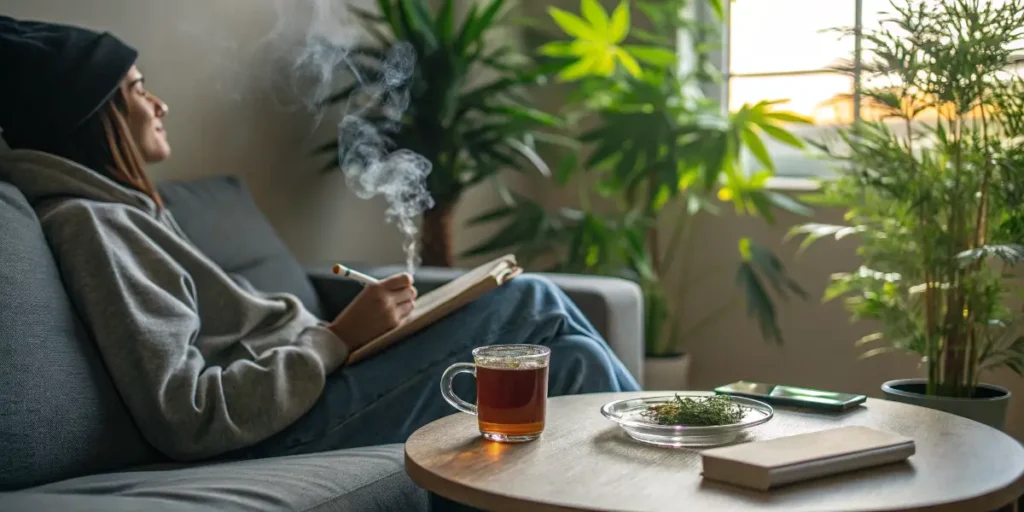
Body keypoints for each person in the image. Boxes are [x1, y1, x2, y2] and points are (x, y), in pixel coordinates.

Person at [0, 16, 640, 462]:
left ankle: (673, 474)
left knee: (571, 359)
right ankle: (686, 445)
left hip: (306, 395)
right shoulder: (94, 226)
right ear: (93, 119)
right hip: (278, 431)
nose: (159, 103)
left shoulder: (127, 212)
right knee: (530, 306)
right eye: (138, 90)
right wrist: (336, 339)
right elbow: (186, 414)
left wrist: (359, 338)